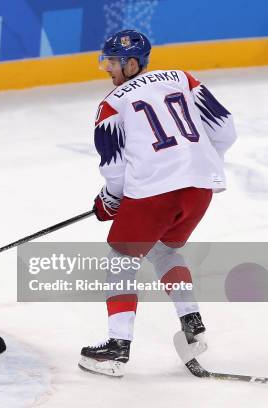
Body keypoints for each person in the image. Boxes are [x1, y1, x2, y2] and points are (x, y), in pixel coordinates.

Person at [79, 30, 236, 377]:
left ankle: (117, 349)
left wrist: (111, 199)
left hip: (154, 193)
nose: (108, 70)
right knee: (164, 250)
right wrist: (201, 162)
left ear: (132, 63)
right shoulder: (184, 79)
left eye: (113, 63)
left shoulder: (111, 104)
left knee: (121, 259)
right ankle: (192, 323)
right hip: (199, 189)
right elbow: (225, 130)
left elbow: (114, 167)